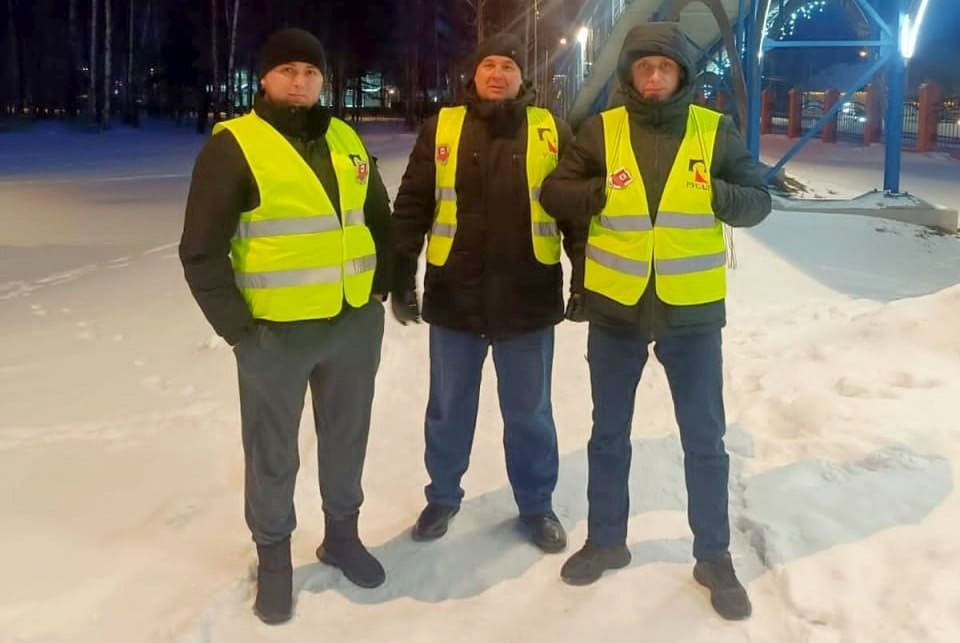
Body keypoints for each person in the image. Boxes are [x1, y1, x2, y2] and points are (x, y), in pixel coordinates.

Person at [539, 22, 771, 620]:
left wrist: (717, 195)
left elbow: (759, 201)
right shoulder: (603, 129)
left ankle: (713, 556)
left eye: (664, 67)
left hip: (690, 314)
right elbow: (555, 192)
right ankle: (606, 541)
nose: (654, 76)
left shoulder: (713, 131)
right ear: (629, 74)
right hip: (616, 310)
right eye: (644, 66)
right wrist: (597, 194)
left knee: (704, 439)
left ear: (682, 75)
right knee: (608, 434)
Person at [179, 27, 393, 624]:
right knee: (272, 452)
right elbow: (200, 250)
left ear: (323, 80)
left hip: (352, 322)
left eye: (311, 72)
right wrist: (238, 330)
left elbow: (378, 215)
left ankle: (342, 536)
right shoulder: (235, 146)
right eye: (288, 71)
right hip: (274, 334)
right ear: (265, 78)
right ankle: (274, 559)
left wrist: (384, 285)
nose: (300, 83)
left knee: (347, 435)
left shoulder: (345, 137)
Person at [391, 33, 582, 553]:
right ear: (473, 75)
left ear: (523, 77)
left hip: (527, 298)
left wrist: (584, 274)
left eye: (508, 67)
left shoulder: (551, 130)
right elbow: (412, 205)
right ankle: (442, 496)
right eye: (489, 65)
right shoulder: (442, 128)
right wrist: (400, 275)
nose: (498, 74)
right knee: (448, 410)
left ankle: (537, 505)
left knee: (530, 414)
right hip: (456, 297)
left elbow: (574, 214)